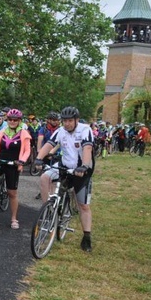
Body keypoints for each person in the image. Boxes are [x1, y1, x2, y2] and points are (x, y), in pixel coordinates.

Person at [34, 106, 95, 252]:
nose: (67, 124)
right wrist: (38, 158)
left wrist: (84, 166)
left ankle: (87, 237)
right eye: (64, 121)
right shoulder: (60, 131)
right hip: (65, 166)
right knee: (44, 177)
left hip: (81, 170)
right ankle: (48, 210)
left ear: (76, 120)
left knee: (83, 206)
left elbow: (87, 149)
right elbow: (49, 144)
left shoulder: (85, 130)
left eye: (70, 121)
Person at [0, 109, 31, 229]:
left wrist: (22, 161)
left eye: (15, 120)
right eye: (10, 119)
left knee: (12, 193)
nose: (12, 121)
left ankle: (14, 218)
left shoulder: (24, 133)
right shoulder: (3, 132)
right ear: (7, 120)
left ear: (19, 121)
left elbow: (27, 151)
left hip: (13, 164)